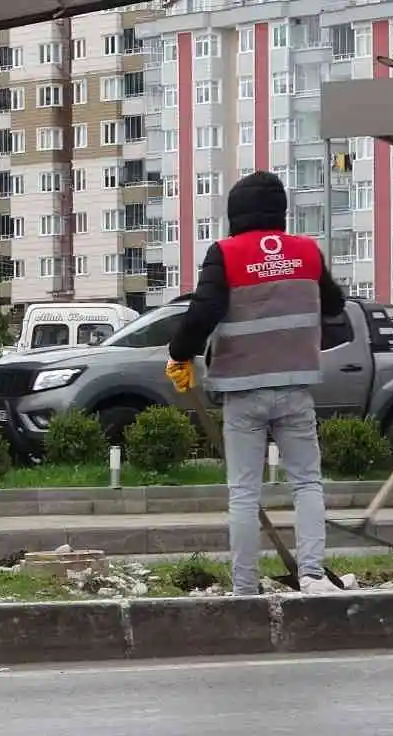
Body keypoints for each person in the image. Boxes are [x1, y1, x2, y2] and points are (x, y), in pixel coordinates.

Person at [163, 170, 348, 596]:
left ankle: (245, 587)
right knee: (307, 483)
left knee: (244, 493)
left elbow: (204, 310)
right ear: (280, 212)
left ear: (235, 212)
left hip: (243, 389)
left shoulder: (225, 254)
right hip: (296, 387)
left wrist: (179, 353)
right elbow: (335, 304)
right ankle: (313, 576)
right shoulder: (307, 252)